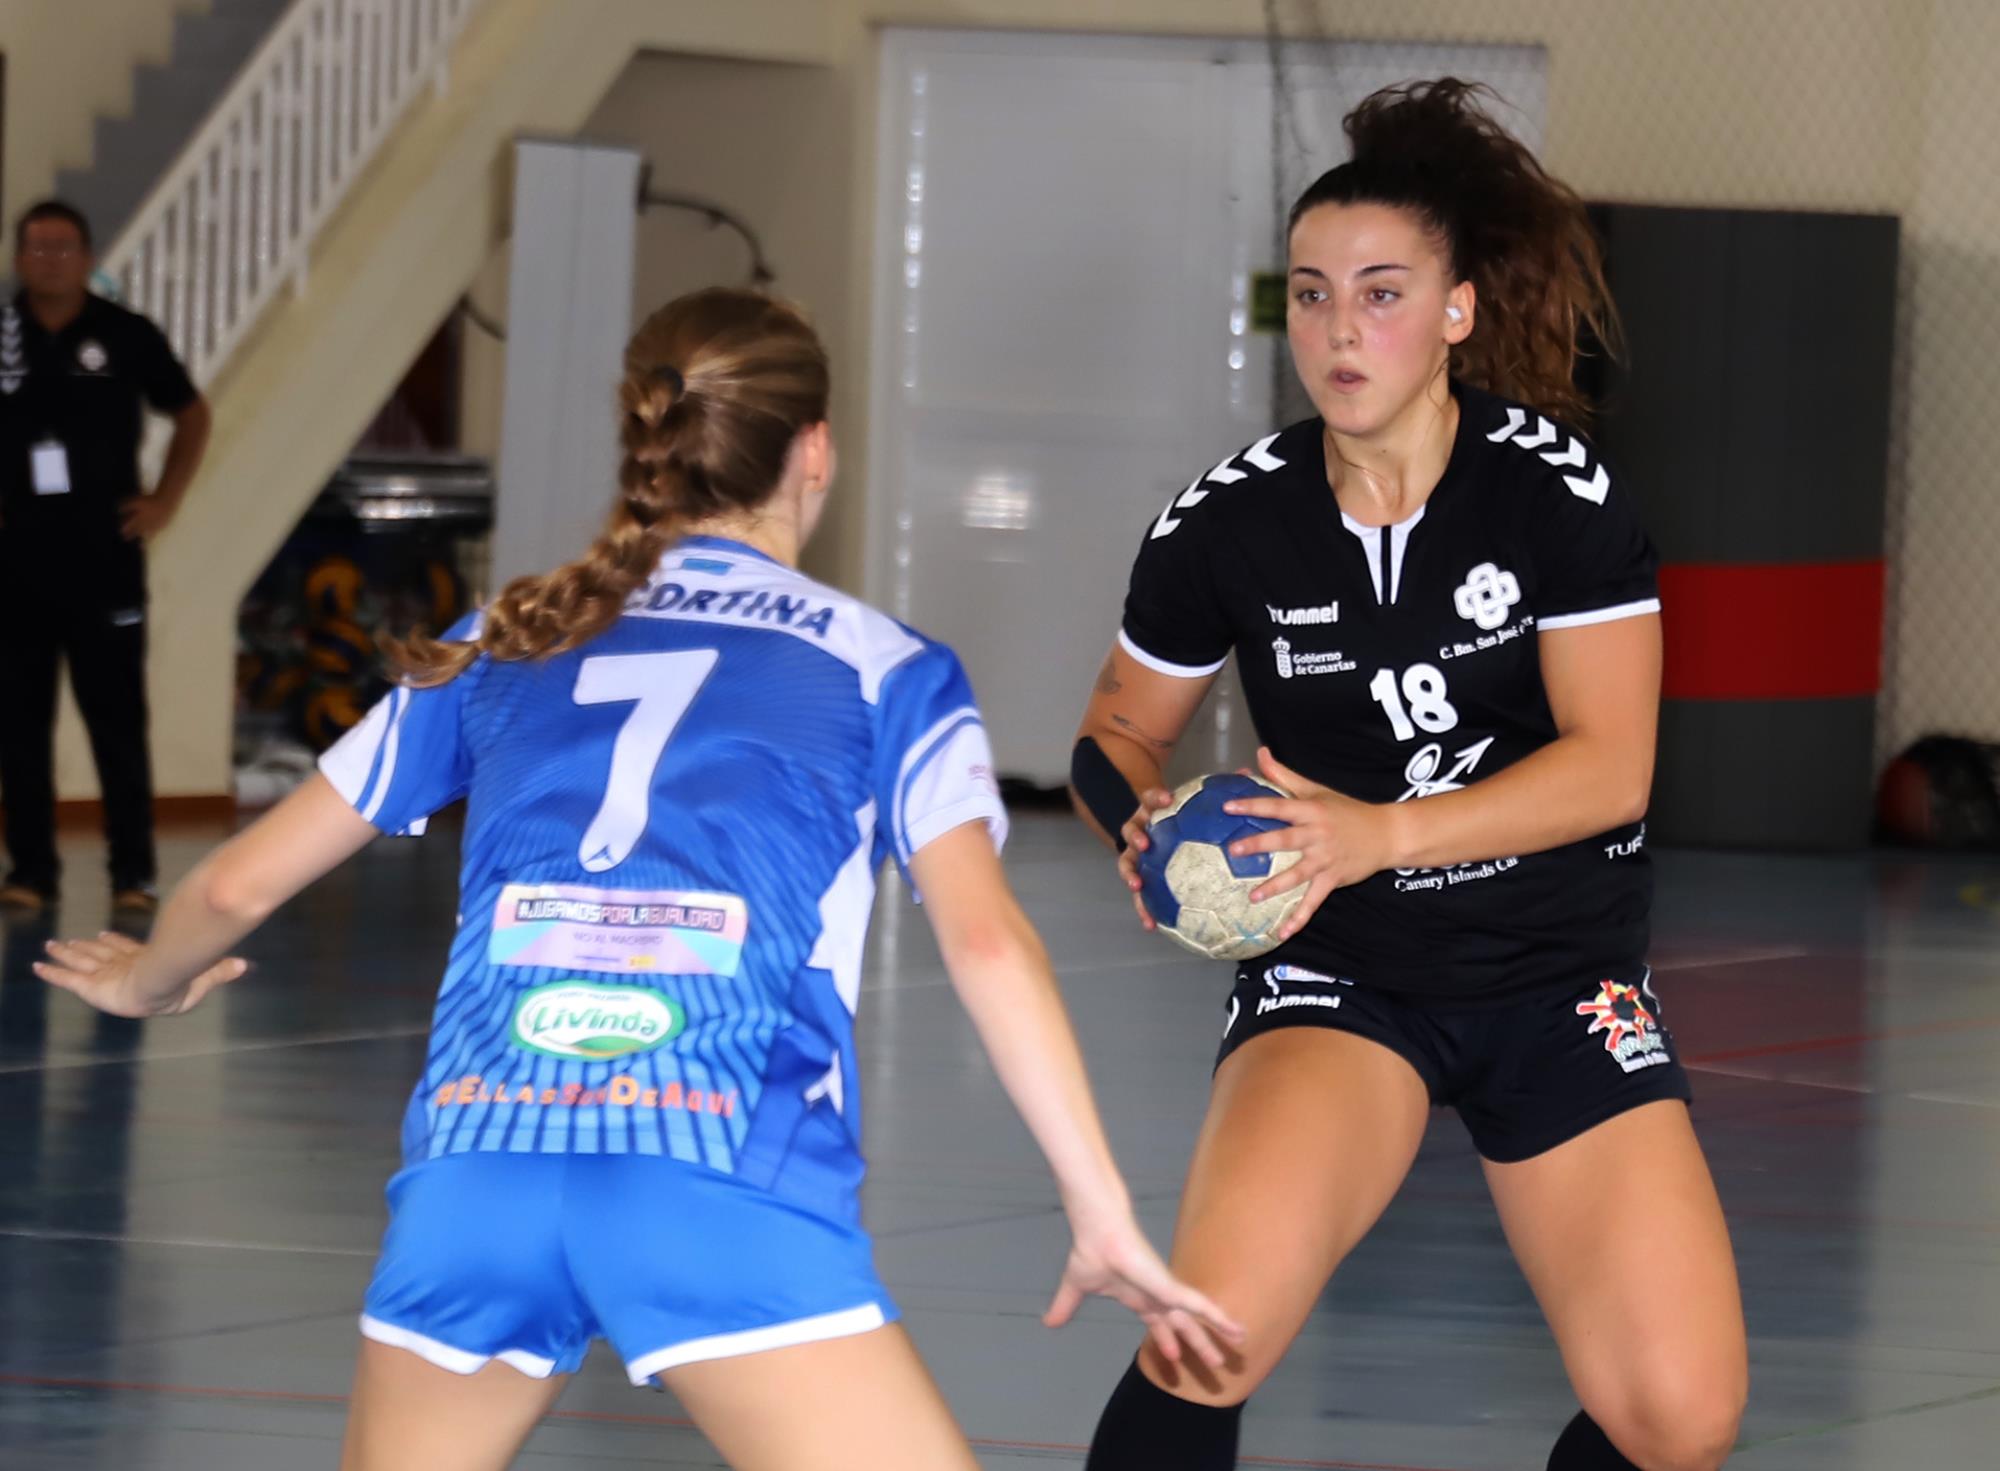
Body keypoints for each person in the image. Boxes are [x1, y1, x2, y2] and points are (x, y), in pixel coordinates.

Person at [37, 287, 1241, 1471]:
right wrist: (1097, 1203)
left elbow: (238, 888)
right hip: (716, 1171)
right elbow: (985, 947)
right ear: (812, 451)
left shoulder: (498, 636)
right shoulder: (886, 671)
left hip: (477, 1169)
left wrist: (149, 980)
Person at [1069, 81, 1746, 1471]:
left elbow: (1613, 769)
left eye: (1380, 294)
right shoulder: (1229, 525)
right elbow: (1114, 734)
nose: (1338, 331)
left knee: (1679, 1412)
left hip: (1556, 965)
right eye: (1311, 296)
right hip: (1344, 969)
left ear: (1455, 311)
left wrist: (1380, 830)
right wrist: (1134, 823)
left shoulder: (1560, 495)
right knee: (1210, 1333)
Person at [0, 199, 212, 916]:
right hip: (16, 568)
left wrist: (165, 500)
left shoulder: (125, 335)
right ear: (19, 257)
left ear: (87, 257)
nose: (49, 258)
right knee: (19, 726)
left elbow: (191, 412)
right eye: (36, 247)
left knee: (117, 721)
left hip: (104, 565)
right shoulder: (5, 332)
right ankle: (29, 871)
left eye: (64, 246)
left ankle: (135, 873)